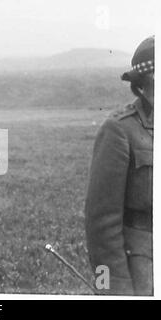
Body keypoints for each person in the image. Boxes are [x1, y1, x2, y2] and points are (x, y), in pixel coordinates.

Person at [85, 36, 154, 295]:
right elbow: (102, 223)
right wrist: (117, 288)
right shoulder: (120, 130)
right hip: (143, 272)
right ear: (152, 79)